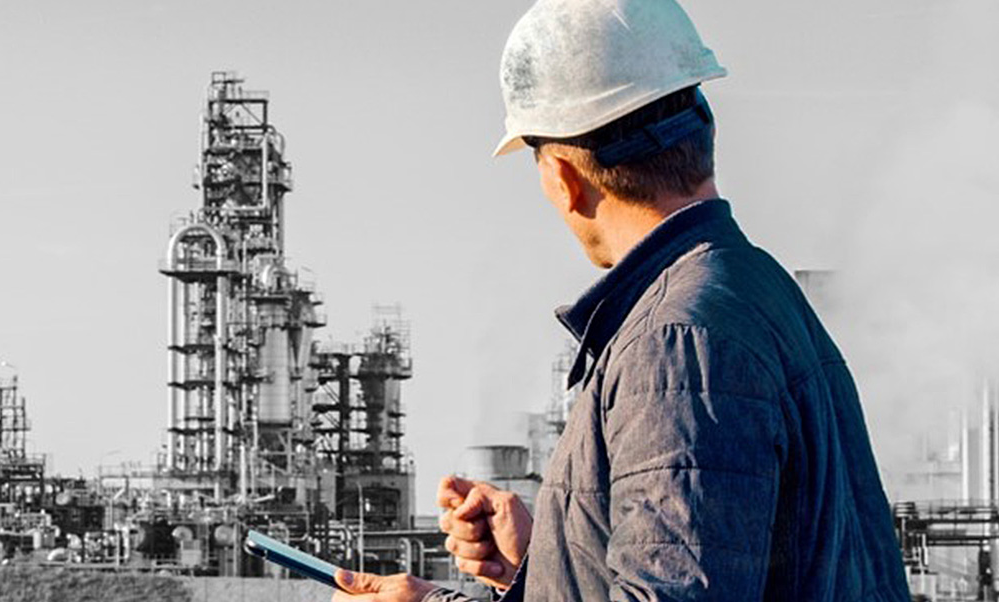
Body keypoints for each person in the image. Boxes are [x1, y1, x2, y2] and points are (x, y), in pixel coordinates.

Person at [332, 0, 911, 600]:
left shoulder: (675, 343)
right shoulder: (755, 289)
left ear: (563, 177)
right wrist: (557, 555)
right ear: (705, 124)